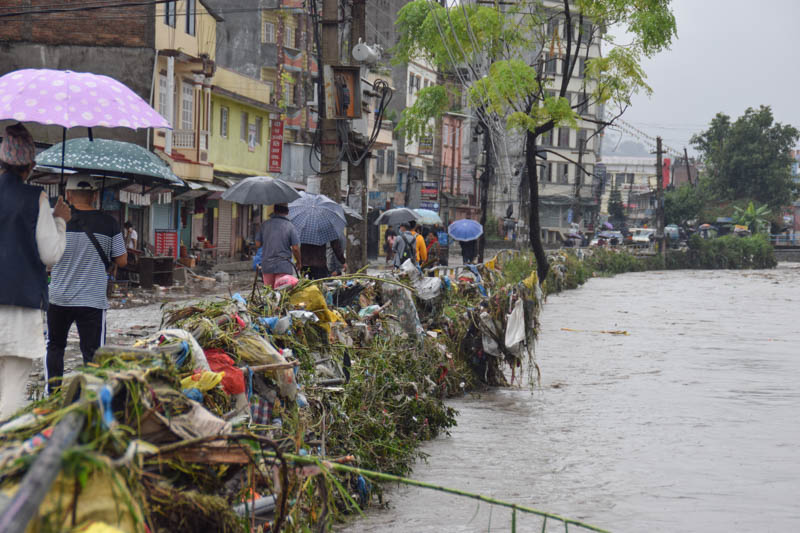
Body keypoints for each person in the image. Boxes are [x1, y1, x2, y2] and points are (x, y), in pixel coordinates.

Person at [0, 123, 70, 418]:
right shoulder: (36, 199)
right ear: (30, 165)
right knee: (13, 388)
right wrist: (60, 220)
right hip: (20, 305)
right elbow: (50, 253)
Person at [46, 175, 127, 394]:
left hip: (58, 298)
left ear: (69, 195)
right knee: (92, 353)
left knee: (55, 347)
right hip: (92, 300)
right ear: (94, 195)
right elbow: (122, 260)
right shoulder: (109, 223)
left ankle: (52, 396)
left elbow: (45, 259)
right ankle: (91, 399)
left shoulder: (56, 222)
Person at [255, 203, 301, 289]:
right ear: (287, 212)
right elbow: (295, 248)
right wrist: (299, 262)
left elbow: (257, 244)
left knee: (269, 295)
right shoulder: (290, 226)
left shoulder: (265, 224)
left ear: (274, 211)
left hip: (267, 265)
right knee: (282, 295)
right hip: (283, 266)